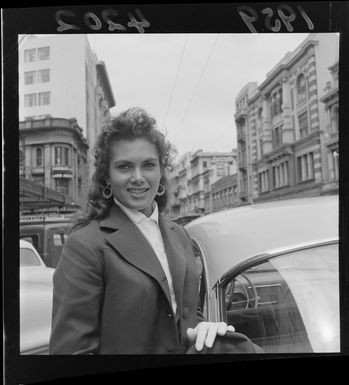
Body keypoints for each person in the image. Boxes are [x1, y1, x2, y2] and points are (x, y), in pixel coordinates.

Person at [49, 107, 235, 354]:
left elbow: (187, 314)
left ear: (161, 170)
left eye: (148, 165)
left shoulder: (179, 234)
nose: (138, 177)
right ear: (107, 177)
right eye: (125, 167)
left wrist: (203, 330)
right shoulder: (85, 246)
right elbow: (71, 351)